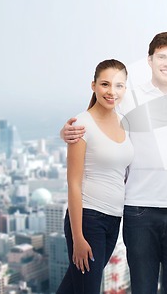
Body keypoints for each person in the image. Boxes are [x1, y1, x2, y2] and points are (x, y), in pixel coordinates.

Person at [61, 32, 167, 294]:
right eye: (161, 57)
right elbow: (96, 116)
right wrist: (67, 131)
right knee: (142, 288)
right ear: (149, 60)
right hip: (139, 209)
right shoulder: (128, 97)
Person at [57, 59, 134, 294]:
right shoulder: (81, 124)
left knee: (74, 287)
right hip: (89, 220)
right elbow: (73, 183)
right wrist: (78, 237)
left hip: (113, 220)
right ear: (93, 86)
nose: (112, 92)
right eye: (105, 84)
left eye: (119, 85)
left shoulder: (126, 122)